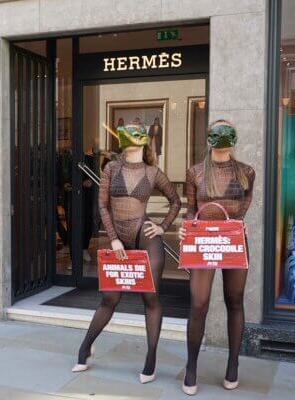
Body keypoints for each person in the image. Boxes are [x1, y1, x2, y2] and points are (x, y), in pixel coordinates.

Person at [72, 123, 182, 384]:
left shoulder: (153, 171)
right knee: (109, 298)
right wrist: (113, 239)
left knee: (150, 298)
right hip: (117, 235)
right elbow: (102, 204)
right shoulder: (111, 167)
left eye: (136, 134)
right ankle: (85, 347)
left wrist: (163, 226)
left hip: (144, 234)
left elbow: (175, 201)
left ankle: (151, 358)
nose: (131, 139)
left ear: (144, 141)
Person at [179, 119, 255, 395]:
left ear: (234, 139)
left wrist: (240, 222)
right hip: (203, 241)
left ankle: (233, 364)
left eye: (227, 132)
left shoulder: (247, 171)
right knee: (198, 303)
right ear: (209, 137)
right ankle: (191, 366)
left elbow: (244, 205)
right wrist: (186, 229)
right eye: (216, 132)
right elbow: (190, 209)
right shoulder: (196, 172)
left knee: (234, 300)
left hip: (233, 240)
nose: (222, 137)